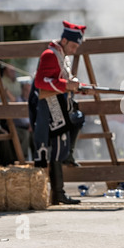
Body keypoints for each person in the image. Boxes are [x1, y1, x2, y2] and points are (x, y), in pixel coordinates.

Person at [29, 20, 92, 205]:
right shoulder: (50, 55)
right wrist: (67, 85)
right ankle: (55, 193)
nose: (74, 49)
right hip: (48, 107)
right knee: (54, 147)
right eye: (73, 45)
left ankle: (59, 191)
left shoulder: (62, 55)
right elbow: (41, 82)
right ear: (64, 41)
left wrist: (77, 86)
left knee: (75, 121)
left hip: (57, 104)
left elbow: (63, 81)